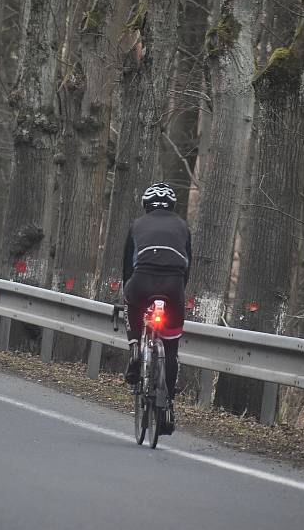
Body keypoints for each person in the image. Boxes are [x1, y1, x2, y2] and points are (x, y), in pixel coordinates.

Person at [122, 183, 192, 430]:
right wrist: (179, 292)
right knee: (171, 349)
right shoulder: (183, 226)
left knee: (130, 301)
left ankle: (134, 350)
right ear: (172, 206)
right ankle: (167, 408)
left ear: (146, 205)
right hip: (173, 286)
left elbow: (127, 267)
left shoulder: (137, 225)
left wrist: (128, 289)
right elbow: (187, 265)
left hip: (142, 281)